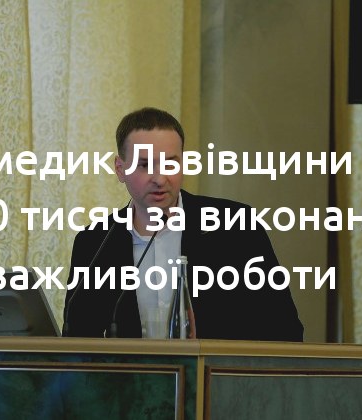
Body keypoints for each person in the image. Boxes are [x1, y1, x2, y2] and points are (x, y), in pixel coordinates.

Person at [63, 107, 303, 341]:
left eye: (170, 163)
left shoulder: (236, 226)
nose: (160, 179)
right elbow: (77, 341)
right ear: (120, 169)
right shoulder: (94, 243)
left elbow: (285, 330)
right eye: (145, 165)